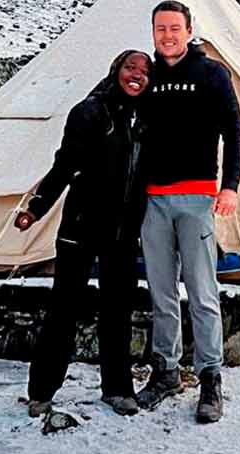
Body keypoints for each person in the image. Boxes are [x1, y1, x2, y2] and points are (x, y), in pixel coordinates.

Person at [16, 49, 152, 417]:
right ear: (116, 70)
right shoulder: (90, 111)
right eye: (130, 67)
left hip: (122, 233)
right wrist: (36, 207)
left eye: (144, 70)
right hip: (81, 227)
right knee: (64, 308)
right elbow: (64, 165)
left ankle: (118, 388)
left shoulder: (149, 118)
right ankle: (42, 390)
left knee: (117, 311)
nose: (136, 74)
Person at [136, 0, 240, 423]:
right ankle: (165, 370)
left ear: (188, 29)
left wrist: (230, 186)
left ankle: (210, 377)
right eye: (160, 28)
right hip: (153, 200)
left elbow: (234, 132)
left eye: (174, 28)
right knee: (161, 290)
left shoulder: (212, 73)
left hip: (198, 197)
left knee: (202, 291)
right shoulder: (146, 73)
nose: (167, 35)